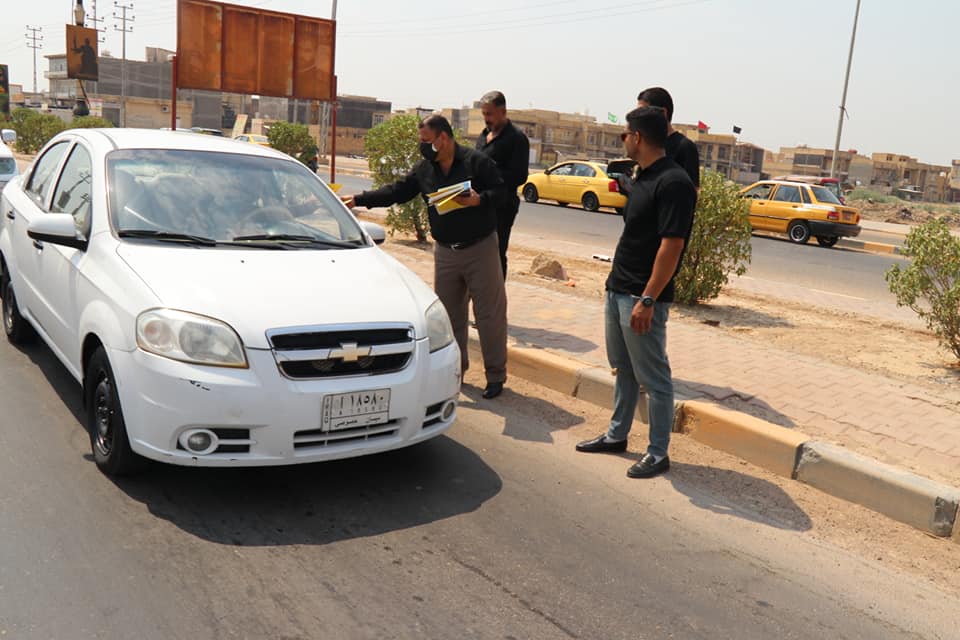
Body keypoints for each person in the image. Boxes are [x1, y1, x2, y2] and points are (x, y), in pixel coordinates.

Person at [341, 114, 509, 399]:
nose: (422, 146)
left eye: (426, 140)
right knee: (449, 317)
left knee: (489, 315)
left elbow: (502, 192)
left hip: (480, 248)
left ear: (443, 138)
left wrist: (479, 199)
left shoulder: (476, 162)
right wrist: (359, 199)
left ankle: (495, 376)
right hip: (445, 252)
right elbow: (397, 192)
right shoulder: (425, 169)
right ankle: (456, 372)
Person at [575, 106, 697, 479]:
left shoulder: (674, 182)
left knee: (654, 378)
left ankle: (658, 453)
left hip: (641, 297)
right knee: (623, 368)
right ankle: (617, 435)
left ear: (638, 137)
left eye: (624, 134)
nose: (623, 140)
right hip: (618, 288)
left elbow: (672, 246)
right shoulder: (642, 175)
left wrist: (648, 299)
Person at [475, 91, 529, 278]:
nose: (486, 118)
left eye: (489, 114)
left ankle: (496, 293)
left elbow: (520, 176)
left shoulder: (516, 138)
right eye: (484, 114)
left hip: (502, 207)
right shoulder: (484, 135)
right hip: (479, 203)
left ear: (503, 112)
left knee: (495, 254)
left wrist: (489, 172)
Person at [636, 87, 700, 188]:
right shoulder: (644, 145)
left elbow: (692, 190)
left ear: (663, 113)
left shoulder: (684, 147)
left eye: (644, 112)